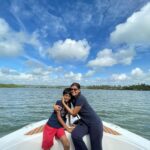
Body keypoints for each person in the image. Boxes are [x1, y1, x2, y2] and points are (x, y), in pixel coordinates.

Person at [61, 83, 103, 150]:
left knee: (96, 146)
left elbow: (74, 113)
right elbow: (67, 98)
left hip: (94, 123)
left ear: (79, 90)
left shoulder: (81, 98)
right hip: (84, 122)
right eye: (71, 89)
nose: (73, 90)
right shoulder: (73, 98)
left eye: (75, 89)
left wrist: (63, 103)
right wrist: (56, 104)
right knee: (75, 135)